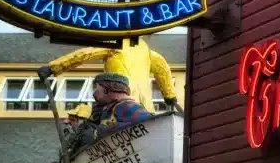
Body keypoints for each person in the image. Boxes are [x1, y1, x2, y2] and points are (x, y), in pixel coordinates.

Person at [44, 37, 179, 113]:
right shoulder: (147, 51)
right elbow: (163, 69)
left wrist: (52, 68)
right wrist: (169, 95)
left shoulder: (115, 43)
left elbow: (85, 54)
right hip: (146, 110)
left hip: (119, 105)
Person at [91, 72, 153, 138]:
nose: (94, 93)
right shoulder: (107, 109)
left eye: (97, 89)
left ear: (105, 90)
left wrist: (114, 129)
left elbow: (149, 125)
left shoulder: (127, 106)